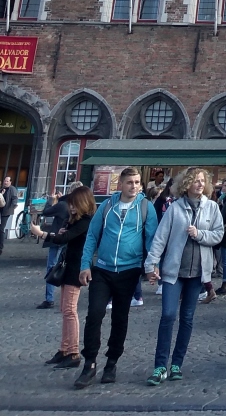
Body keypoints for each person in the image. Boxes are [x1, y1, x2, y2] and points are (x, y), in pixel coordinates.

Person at [74, 166, 159, 388]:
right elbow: (92, 236)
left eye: (137, 182)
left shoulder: (146, 207)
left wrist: (152, 266)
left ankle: (111, 362)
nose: (134, 186)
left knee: (120, 318)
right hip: (103, 269)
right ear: (120, 184)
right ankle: (89, 363)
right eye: (130, 182)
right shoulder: (107, 206)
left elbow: (152, 240)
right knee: (94, 314)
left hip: (129, 270)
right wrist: (85, 265)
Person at [143, 167, 224, 384]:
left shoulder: (212, 207)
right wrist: (151, 264)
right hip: (174, 271)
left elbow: (218, 234)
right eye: (195, 180)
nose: (200, 184)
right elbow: (160, 238)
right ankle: (160, 366)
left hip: (197, 273)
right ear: (186, 184)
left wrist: (200, 234)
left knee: (187, 318)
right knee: (168, 315)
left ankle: (177, 363)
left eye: (202, 180)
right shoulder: (175, 208)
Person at [46, 184, 96, 369]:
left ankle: (73, 352)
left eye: (74, 204)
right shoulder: (75, 220)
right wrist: (61, 231)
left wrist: (43, 234)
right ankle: (64, 348)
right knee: (64, 309)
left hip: (77, 269)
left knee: (69, 310)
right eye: (70, 204)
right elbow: (65, 236)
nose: (71, 207)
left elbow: (65, 238)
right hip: (68, 267)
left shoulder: (86, 221)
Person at [31, 188, 69, 308]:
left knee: (52, 267)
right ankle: (65, 298)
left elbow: (46, 211)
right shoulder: (74, 205)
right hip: (68, 240)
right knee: (64, 267)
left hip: (56, 239)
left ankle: (49, 299)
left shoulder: (62, 205)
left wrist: (51, 200)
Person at [0, 174, 18, 255]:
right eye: (5, 181)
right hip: (1, 210)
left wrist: (14, 206)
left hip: (6, 211)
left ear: (10, 182)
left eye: (7, 181)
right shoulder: (2, 189)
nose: (5, 182)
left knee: (1, 228)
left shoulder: (12, 189)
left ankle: (1, 246)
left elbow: (15, 198)